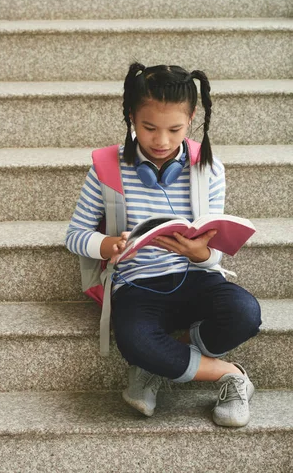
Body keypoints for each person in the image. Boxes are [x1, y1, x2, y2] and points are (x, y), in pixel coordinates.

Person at [65, 62, 262, 427]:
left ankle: (158, 366)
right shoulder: (106, 168)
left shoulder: (208, 167)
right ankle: (229, 374)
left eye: (175, 129)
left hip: (196, 278)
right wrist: (109, 245)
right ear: (130, 118)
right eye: (148, 128)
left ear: (191, 120)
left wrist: (200, 253)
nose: (161, 141)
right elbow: (75, 235)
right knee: (136, 342)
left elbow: (213, 246)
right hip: (137, 285)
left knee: (246, 314)